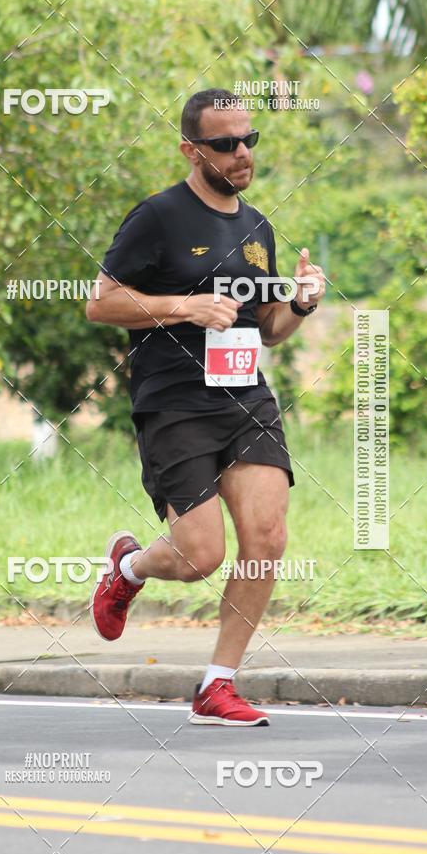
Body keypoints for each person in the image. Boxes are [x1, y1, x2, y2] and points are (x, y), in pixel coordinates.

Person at [85, 87, 326, 726]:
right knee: (199, 556)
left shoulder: (256, 227)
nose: (242, 152)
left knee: (268, 538)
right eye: (225, 144)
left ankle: (216, 685)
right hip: (175, 403)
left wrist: (299, 303)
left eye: (249, 140)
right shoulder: (157, 217)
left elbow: (268, 327)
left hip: (245, 396)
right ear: (192, 150)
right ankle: (130, 567)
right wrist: (182, 306)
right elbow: (101, 303)